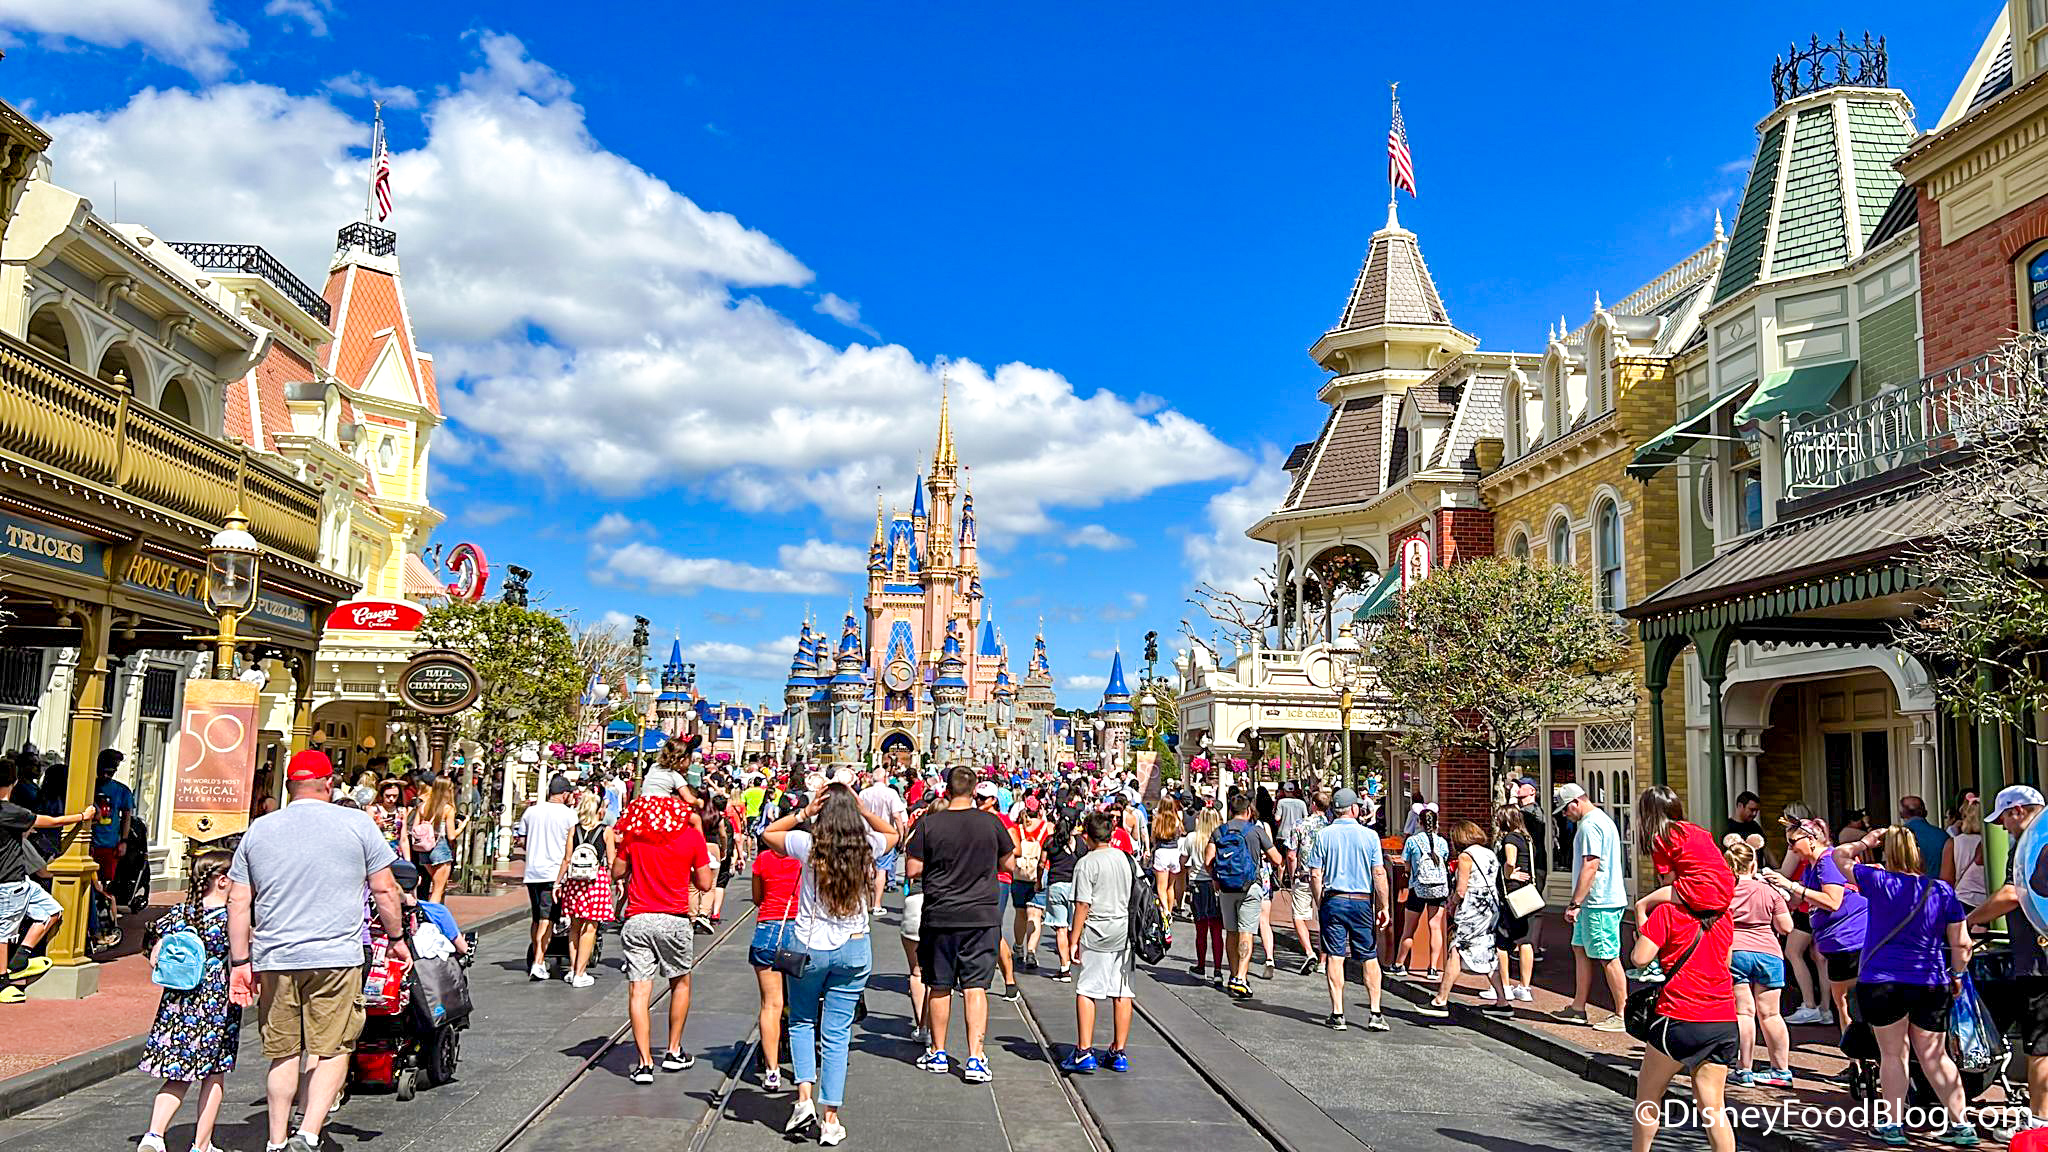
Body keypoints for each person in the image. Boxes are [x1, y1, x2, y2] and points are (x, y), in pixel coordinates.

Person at [227, 750, 407, 1152]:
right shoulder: (357, 824)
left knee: (283, 1054)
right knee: (333, 1049)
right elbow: (384, 888)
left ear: (289, 786)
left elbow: (238, 901)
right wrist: (396, 938)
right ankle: (308, 1134)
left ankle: (276, 1141)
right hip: (336, 957)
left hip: (276, 957)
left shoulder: (260, 829)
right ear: (328, 783)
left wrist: (240, 961)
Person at [761, 784, 897, 1145]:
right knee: (837, 1034)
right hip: (853, 947)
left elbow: (769, 833)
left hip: (810, 946)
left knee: (802, 1021)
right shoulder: (866, 846)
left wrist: (804, 813)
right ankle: (830, 1118)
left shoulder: (808, 846)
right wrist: (863, 809)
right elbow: (893, 834)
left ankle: (803, 1099)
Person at [1835, 825, 1977, 1147]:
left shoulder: (1878, 881)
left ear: (1888, 853)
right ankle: (1961, 1124)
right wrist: (1956, 975)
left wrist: (1865, 841)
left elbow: (1839, 856)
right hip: (1930, 981)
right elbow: (1962, 944)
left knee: (1893, 1054)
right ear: (1918, 854)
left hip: (1883, 979)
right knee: (1935, 1055)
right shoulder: (1942, 891)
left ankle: (1893, 1124)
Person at [1628, 847, 1738, 1152]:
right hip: (1722, 1017)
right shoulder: (1724, 915)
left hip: (1679, 1014)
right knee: (1713, 1106)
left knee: (1648, 1096)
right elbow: (1726, 962)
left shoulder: (1666, 913)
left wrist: (1642, 915)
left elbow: (1639, 958)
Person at [907, 766, 1013, 1083]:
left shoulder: (930, 824)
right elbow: (1009, 862)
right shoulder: (991, 823)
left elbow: (912, 869)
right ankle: (975, 1058)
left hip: (940, 914)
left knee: (939, 985)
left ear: (947, 789)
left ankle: (938, 1052)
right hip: (981, 916)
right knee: (975, 986)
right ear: (974, 790)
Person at [612, 769, 715, 1086]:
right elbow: (705, 883)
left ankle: (644, 1063)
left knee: (638, 990)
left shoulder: (636, 836)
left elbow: (617, 871)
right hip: (674, 919)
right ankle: (673, 1051)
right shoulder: (690, 837)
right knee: (680, 983)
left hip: (639, 919)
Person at [137, 851, 239, 1152]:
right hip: (215, 1003)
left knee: (178, 1072)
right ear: (223, 881)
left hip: (177, 1003)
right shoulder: (230, 918)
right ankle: (202, 1145)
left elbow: (154, 956)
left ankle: (154, 1135)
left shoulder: (180, 913)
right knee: (214, 1073)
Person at [1968, 786, 2048, 1137]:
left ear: (2017, 811)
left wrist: (1968, 920)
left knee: (2040, 1044)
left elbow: (2012, 894)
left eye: (2003, 819)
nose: (2002, 827)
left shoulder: (2028, 848)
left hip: (2038, 961)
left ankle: (2040, 1123)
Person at [1, 758, 90, 999]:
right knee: (3, 934)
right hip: (8, 882)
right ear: (14, 782)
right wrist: (82, 816)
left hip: (21, 881)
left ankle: (21, 958)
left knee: (52, 910)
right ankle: (2, 982)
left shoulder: (12, 814)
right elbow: (51, 821)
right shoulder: (10, 812)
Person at [1765, 817, 1865, 1029]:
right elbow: (1798, 900)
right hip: (1838, 942)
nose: (1791, 849)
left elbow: (1833, 901)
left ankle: (1860, 1048)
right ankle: (1854, 1048)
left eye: (1793, 842)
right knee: (1844, 1005)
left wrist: (1792, 886)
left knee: (1849, 1005)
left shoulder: (1827, 861)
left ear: (1810, 839)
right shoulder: (1812, 866)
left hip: (1850, 940)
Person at [1308, 788, 1389, 1032]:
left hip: (1334, 898)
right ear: (1354, 808)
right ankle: (1375, 1012)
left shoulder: (1323, 836)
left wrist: (1320, 901)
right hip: (1362, 900)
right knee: (1369, 955)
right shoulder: (1370, 836)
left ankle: (1338, 1013)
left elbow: (1315, 874)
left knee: (1335, 955)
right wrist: (1384, 905)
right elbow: (1379, 873)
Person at [1549, 784, 1629, 1032]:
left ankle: (1623, 1013)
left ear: (1576, 802)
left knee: (1607, 955)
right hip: (1596, 900)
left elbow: (1591, 865)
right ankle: (1578, 1007)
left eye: (1566, 809)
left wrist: (1576, 902)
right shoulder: (1601, 820)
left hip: (1599, 901)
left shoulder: (1589, 825)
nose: (1565, 815)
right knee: (1580, 948)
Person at [1061, 811, 1136, 1072]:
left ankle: (1084, 1051)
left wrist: (1073, 939)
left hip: (1097, 931)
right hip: (1124, 930)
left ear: (1087, 837)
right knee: (1122, 991)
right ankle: (1118, 1051)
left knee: (1087, 989)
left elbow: (1083, 904)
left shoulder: (1086, 863)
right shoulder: (1126, 859)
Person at [1719, 836, 1794, 1088]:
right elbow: (1786, 927)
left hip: (1735, 951)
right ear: (1753, 865)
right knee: (1771, 1014)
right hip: (1769, 954)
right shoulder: (1769, 891)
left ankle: (1744, 1069)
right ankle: (1781, 1070)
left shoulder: (1725, 890)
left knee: (1744, 1012)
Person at [1206, 789, 1282, 1001]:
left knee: (1231, 932)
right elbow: (1277, 859)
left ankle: (1232, 975)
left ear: (1231, 811)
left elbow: (1208, 861)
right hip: (1250, 887)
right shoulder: (1255, 831)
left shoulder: (1219, 831)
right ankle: (1241, 977)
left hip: (1226, 888)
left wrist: (1216, 878)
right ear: (1248, 811)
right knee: (1246, 932)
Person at [1424, 819, 1506, 1016]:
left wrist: (1451, 904)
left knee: (1457, 948)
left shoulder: (1465, 856)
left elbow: (1461, 890)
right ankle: (1503, 1001)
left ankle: (1441, 999)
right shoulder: (1489, 853)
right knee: (1487, 951)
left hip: (1473, 908)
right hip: (1490, 906)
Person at [749, 811, 799, 1091]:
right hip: (798, 931)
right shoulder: (803, 859)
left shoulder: (763, 859)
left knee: (771, 1004)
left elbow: (758, 898)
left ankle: (772, 1070)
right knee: (802, 1004)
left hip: (768, 930)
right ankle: (803, 1066)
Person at [517, 776, 579, 981]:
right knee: (547, 918)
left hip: (532, 871)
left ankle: (538, 956)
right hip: (553, 872)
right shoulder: (570, 815)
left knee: (537, 917)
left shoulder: (531, 811)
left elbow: (522, 841)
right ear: (565, 794)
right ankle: (538, 962)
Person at [555, 790, 616, 988]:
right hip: (595, 881)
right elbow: (612, 861)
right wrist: (618, 881)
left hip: (575, 882)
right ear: (598, 811)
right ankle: (580, 973)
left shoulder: (574, 830)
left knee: (574, 926)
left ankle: (574, 969)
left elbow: (567, 859)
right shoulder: (606, 831)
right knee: (590, 927)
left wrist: (558, 882)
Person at [1392, 805, 1450, 980]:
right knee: (1435, 927)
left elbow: (1406, 864)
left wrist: (1409, 872)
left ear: (1419, 822)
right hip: (1438, 889)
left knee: (1409, 928)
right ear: (1436, 823)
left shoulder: (1412, 842)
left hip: (1417, 888)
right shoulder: (1442, 842)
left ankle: (1399, 964)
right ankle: (1433, 968)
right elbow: (1445, 860)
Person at [1278, 788, 1327, 978]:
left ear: (1313, 805)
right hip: (1325, 878)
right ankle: (1323, 961)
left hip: (1304, 876)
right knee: (1324, 918)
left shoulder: (1300, 825)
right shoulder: (1330, 827)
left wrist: (1292, 876)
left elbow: (1291, 855)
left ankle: (1309, 951)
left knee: (1299, 916)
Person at [1494, 805, 1537, 1002]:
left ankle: (1505, 986)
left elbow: (1510, 861)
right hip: (1526, 893)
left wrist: (1508, 873)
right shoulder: (1526, 839)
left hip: (1511, 893)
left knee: (1502, 941)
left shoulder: (1510, 838)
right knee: (1525, 940)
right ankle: (1525, 987)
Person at [1041, 808, 1083, 982]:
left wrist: (1038, 881)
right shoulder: (1081, 843)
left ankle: (1064, 968)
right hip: (1076, 887)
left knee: (1061, 928)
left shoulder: (1050, 841)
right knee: (1076, 926)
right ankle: (1076, 956)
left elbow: (1042, 863)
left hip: (1056, 885)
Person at [858, 770, 908, 915]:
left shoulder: (864, 793)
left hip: (867, 834)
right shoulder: (890, 793)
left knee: (867, 868)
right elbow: (897, 816)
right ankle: (877, 904)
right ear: (885, 778)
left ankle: (866, 902)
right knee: (881, 870)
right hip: (886, 836)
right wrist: (900, 835)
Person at [1013, 797, 1052, 972]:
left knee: (1020, 913)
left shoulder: (1018, 828)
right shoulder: (1047, 828)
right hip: (1039, 874)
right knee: (1035, 914)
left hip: (1019, 874)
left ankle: (1018, 947)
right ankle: (1031, 950)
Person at [413, 779, 460, 903]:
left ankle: (438, 910)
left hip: (424, 849)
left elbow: (414, 828)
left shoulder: (422, 806)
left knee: (437, 884)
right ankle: (432, 914)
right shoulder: (448, 809)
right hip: (441, 846)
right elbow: (451, 836)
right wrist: (462, 826)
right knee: (438, 889)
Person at [1942, 798, 1988, 911]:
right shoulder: (1995, 843)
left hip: (1963, 900)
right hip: (1991, 902)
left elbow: (1946, 881)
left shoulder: (1953, 843)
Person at [1149, 798, 1183, 934]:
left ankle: (1165, 911)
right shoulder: (1177, 819)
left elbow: (1153, 838)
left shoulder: (1157, 819)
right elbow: (1180, 835)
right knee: (1170, 886)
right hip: (1174, 852)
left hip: (1161, 852)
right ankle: (1169, 911)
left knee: (1161, 887)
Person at [1899, 796, 1950, 881]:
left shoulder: (1898, 837)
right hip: (1938, 887)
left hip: (1908, 887)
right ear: (1925, 812)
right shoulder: (1943, 835)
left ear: (1902, 813)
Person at [1727, 791, 1772, 869]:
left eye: (1756, 810)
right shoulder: (1727, 826)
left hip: (1757, 870)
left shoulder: (1755, 826)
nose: (1754, 814)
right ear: (1740, 806)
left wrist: (1778, 870)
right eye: (1752, 809)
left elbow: (1766, 850)